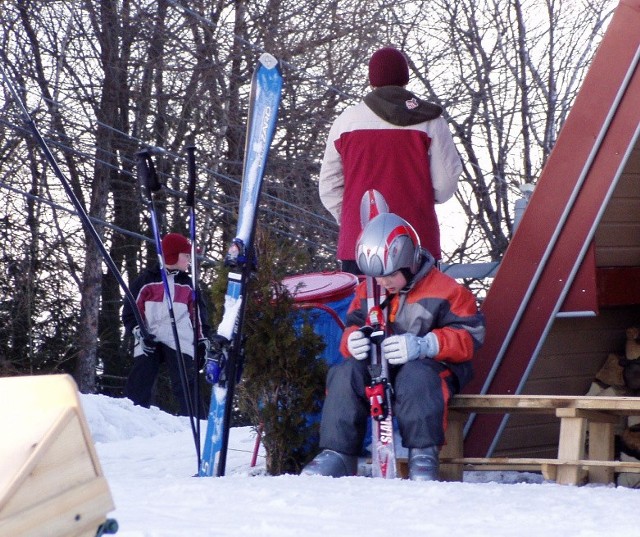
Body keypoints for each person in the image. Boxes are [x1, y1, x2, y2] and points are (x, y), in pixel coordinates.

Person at [302, 213, 485, 480]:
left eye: (390, 275)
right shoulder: (369, 291)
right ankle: (338, 453)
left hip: (433, 368)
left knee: (417, 377)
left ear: (409, 264)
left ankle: (423, 454)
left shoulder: (448, 291)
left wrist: (426, 345)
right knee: (345, 373)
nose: (383, 282)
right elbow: (352, 325)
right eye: (376, 276)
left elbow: (471, 336)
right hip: (380, 365)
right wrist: (353, 340)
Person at [319, 46, 463, 274]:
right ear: (405, 79)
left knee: (364, 308)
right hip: (416, 241)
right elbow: (445, 184)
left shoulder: (345, 122)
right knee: (418, 308)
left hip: (359, 243)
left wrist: (350, 217)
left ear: (371, 81)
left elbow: (328, 186)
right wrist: (420, 200)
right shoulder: (431, 121)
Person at [122, 232, 211, 418]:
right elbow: (131, 311)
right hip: (150, 336)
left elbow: (199, 315)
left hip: (180, 338)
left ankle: (196, 422)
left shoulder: (188, 285)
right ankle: (132, 418)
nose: (189, 260)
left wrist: (202, 340)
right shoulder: (146, 281)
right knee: (140, 379)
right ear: (172, 256)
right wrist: (138, 332)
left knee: (186, 381)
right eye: (186, 256)